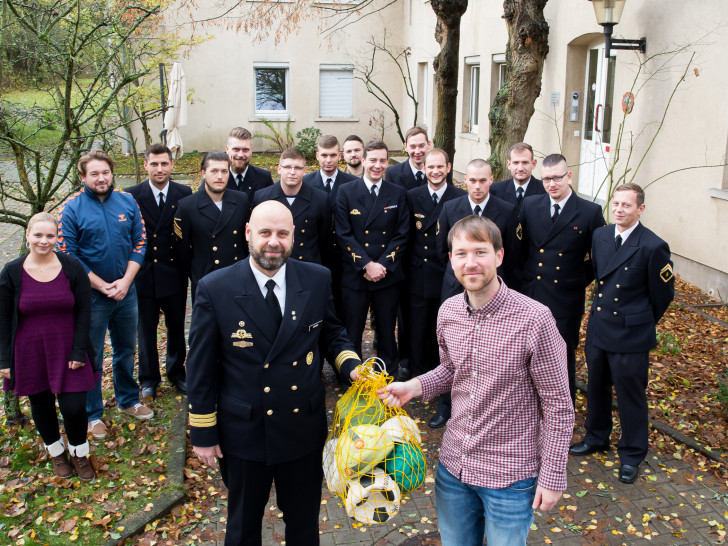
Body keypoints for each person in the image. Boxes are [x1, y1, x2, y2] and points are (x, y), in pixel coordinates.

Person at [380, 215, 573, 546]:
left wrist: (553, 476)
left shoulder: (535, 320)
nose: (471, 263)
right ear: (451, 259)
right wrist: (413, 387)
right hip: (454, 470)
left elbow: (558, 404)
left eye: (480, 252)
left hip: (510, 479)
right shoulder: (449, 312)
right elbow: (452, 370)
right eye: (461, 253)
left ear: (499, 256)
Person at [187, 201, 361, 545]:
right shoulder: (215, 287)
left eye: (282, 233)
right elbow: (201, 367)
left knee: (304, 524)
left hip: (302, 427)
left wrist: (352, 367)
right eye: (265, 232)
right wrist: (203, 432)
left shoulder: (316, 278)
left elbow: (331, 333)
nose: (273, 242)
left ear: (294, 237)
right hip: (245, 432)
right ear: (249, 233)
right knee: (242, 526)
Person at [570, 183, 674, 484]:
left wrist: (639, 320)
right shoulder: (601, 236)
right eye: (615, 204)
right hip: (601, 328)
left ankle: (631, 453)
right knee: (596, 387)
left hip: (631, 335)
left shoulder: (653, 246)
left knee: (630, 397)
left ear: (640, 209)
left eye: (626, 205)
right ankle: (596, 436)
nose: (618, 210)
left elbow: (663, 295)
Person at [57, 149, 151, 440]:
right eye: (94, 173)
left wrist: (125, 282)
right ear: (83, 176)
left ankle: (128, 399)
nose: (101, 178)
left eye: (105, 172)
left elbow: (140, 241)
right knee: (93, 355)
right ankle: (93, 414)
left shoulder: (127, 201)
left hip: (126, 291)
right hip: (91, 297)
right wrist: (100, 284)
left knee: (126, 350)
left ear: (112, 173)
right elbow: (67, 254)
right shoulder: (70, 209)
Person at [0, 213, 97, 480]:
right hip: (30, 351)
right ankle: (56, 452)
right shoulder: (12, 271)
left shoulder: (71, 267)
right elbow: (4, 318)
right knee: (41, 405)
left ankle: (80, 452)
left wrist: (79, 350)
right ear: (28, 235)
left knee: (75, 407)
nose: (44, 241)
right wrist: (4, 360)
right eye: (38, 235)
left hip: (67, 349)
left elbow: (84, 311)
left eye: (50, 236)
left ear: (57, 238)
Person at [430, 158, 522, 429]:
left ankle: (484, 410)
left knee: (489, 353)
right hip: (455, 289)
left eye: (483, 180)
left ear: (492, 180)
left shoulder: (506, 210)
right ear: (464, 181)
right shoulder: (450, 208)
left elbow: (513, 255)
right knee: (451, 353)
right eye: (472, 180)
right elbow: (441, 250)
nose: (478, 186)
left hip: (491, 294)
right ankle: (446, 406)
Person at [519, 153, 606, 405]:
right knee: (527, 354)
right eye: (546, 179)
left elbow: (600, 257)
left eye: (557, 177)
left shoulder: (589, 212)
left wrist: (577, 278)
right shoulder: (530, 205)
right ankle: (528, 405)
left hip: (565, 299)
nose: (551, 184)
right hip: (532, 293)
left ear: (569, 176)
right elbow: (520, 249)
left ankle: (561, 410)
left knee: (561, 357)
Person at [335, 140, 409, 378]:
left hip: (386, 275)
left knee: (387, 330)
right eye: (373, 160)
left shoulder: (397, 193)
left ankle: (388, 374)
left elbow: (402, 234)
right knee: (352, 330)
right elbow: (343, 234)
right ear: (364, 160)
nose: (378, 166)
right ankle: (352, 376)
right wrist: (366, 264)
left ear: (388, 163)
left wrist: (383, 265)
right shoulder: (346, 192)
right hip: (356, 273)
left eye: (383, 161)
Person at [125, 144, 191, 400]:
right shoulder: (131, 195)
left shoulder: (183, 193)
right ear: (146, 166)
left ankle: (177, 374)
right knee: (146, 332)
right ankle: (149, 379)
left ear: (172, 165)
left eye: (164, 164)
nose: (160, 169)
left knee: (176, 329)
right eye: (154, 164)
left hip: (173, 273)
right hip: (143, 275)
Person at [404, 149, 465, 379]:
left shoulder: (460, 198)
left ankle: (445, 374)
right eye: (431, 167)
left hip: (447, 274)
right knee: (417, 325)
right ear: (423, 169)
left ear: (449, 168)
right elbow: (406, 234)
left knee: (445, 327)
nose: (435, 171)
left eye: (440, 166)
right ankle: (419, 373)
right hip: (418, 273)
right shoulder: (411, 196)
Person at [173, 151, 250, 303]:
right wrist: (197, 272)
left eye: (224, 171)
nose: (219, 176)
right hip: (205, 279)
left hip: (238, 278)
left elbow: (246, 241)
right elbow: (181, 250)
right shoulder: (187, 206)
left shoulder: (241, 200)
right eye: (213, 171)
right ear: (203, 173)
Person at [253, 147, 330, 265]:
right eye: (287, 167)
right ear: (279, 169)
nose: (292, 172)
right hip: (273, 264)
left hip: (307, 265)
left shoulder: (320, 199)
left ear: (304, 171)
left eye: (298, 168)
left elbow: (324, 240)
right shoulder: (262, 197)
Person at [490, 142, 545, 212]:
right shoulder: (495, 190)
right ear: (509, 164)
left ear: (533, 164)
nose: (520, 168)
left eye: (525, 162)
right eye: (516, 163)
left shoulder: (544, 190)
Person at [225, 127, 273, 201]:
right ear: (227, 149)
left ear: (251, 150)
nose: (240, 155)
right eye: (236, 149)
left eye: (245, 150)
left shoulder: (264, 178)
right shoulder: (217, 178)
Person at [385, 126, 432, 191]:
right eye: (413, 146)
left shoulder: (441, 172)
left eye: (421, 146)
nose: (417, 151)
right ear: (405, 147)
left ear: (429, 145)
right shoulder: (393, 173)